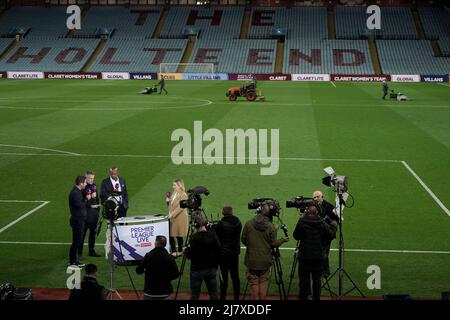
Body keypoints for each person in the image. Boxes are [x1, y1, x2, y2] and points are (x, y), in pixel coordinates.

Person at [241, 203, 289, 300]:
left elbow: (243, 239)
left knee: (253, 284)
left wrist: (252, 245)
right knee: (263, 282)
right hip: (265, 261)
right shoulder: (271, 227)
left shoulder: (248, 223)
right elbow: (274, 244)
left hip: (252, 261)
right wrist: (283, 239)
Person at [293, 205, 337, 300]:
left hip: (304, 257)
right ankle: (316, 298)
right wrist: (333, 225)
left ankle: (303, 297)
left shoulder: (302, 221)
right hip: (318, 257)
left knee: (304, 282)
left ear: (307, 212)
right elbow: (331, 235)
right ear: (317, 212)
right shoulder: (321, 222)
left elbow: (296, 236)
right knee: (317, 281)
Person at [184, 215, 221, 300]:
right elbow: (218, 250)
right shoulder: (213, 235)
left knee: (194, 295)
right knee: (213, 294)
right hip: (211, 269)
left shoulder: (194, 238)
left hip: (197, 270)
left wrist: (186, 250)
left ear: (195, 226)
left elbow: (189, 256)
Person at [136, 235, 180, 300]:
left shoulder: (148, 256)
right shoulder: (170, 257)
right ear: (165, 244)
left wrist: (145, 271)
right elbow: (176, 274)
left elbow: (138, 270)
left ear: (156, 243)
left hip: (149, 292)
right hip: (165, 292)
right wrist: (167, 278)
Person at [215, 206, 242, 300]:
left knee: (223, 278)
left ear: (223, 213)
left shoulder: (220, 224)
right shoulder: (238, 223)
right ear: (232, 212)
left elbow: (216, 238)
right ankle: (237, 297)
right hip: (234, 254)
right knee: (235, 276)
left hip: (223, 255)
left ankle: (222, 297)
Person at [313, 191, 338, 278]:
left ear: (322, 197)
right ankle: (320, 270)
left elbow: (336, 221)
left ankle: (325, 272)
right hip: (318, 233)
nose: (316, 199)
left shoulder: (329, 207)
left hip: (327, 233)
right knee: (319, 252)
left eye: (317, 197)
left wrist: (328, 221)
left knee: (324, 253)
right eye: (314, 197)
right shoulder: (313, 206)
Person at [78, 171, 101, 258]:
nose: (91, 180)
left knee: (92, 233)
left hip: (94, 214)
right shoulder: (82, 187)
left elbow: (97, 198)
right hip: (85, 215)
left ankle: (91, 251)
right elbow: (80, 202)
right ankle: (79, 253)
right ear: (86, 178)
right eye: (90, 178)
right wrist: (90, 205)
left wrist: (97, 210)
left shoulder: (94, 186)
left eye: (93, 178)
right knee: (82, 234)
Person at [68, 176, 87, 267]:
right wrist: (87, 199)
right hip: (77, 220)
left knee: (78, 241)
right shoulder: (75, 193)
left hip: (79, 219)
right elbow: (80, 205)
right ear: (81, 183)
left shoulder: (78, 191)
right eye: (85, 183)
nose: (86, 184)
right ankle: (72, 261)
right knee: (76, 241)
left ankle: (74, 260)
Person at [168, 179, 188, 257]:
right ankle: (174, 250)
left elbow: (181, 207)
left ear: (179, 185)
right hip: (173, 216)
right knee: (170, 234)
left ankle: (179, 251)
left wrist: (172, 214)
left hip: (180, 217)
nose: (173, 186)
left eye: (174, 185)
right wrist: (168, 201)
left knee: (178, 234)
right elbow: (172, 204)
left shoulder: (184, 195)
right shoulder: (174, 193)